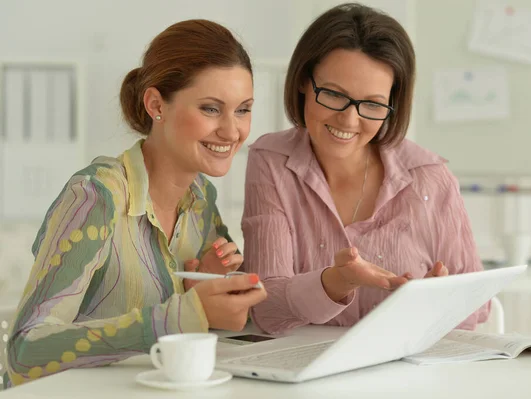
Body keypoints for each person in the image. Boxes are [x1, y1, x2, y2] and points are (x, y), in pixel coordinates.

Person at [5, 19, 266, 387]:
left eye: (243, 109)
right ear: (156, 104)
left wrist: (204, 290)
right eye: (211, 109)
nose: (232, 130)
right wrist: (185, 313)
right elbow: (22, 352)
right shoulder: (96, 197)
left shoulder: (202, 197)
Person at [241, 3, 489, 335]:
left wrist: (431, 303)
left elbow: (476, 307)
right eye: (333, 94)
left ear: (392, 104)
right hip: (304, 377)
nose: (348, 120)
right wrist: (334, 283)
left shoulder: (430, 176)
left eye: (372, 104)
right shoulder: (271, 162)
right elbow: (266, 309)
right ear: (303, 81)